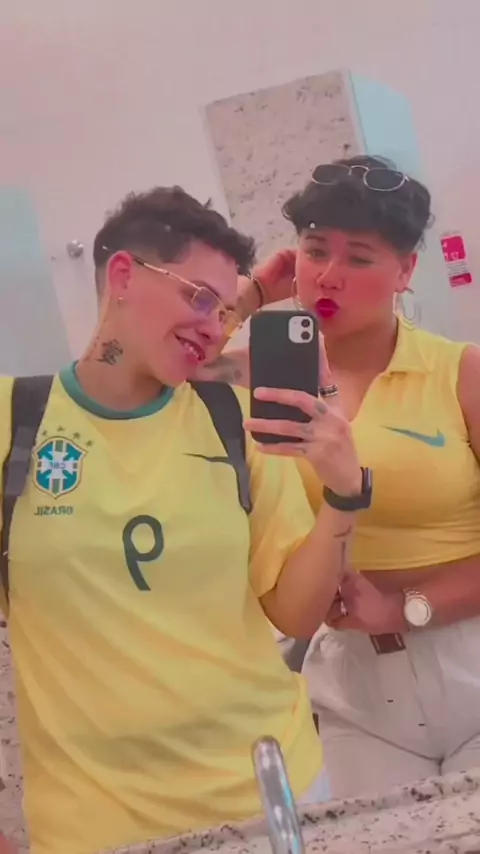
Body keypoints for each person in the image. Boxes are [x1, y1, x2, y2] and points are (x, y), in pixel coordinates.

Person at [0, 186, 369, 854]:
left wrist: (344, 496)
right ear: (122, 276)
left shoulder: (231, 421)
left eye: (225, 309)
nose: (213, 324)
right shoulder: (13, 424)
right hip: (92, 825)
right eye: (198, 297)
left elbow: (294, 613)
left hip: (269, 795)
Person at [200, 155, 480, 798]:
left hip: (464, 652)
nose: (328, 274)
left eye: (359, 257)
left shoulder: (459, 373)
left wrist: (405, 609)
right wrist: (251, 296)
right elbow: (158, 374)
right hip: (349, 683)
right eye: (314, 249)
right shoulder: (256, 376)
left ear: (405, 271)